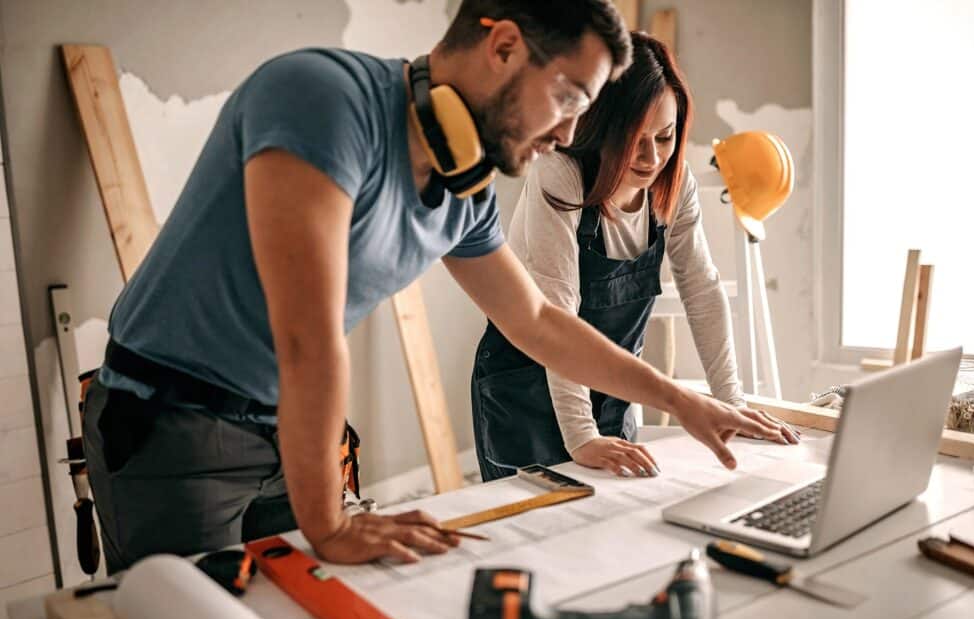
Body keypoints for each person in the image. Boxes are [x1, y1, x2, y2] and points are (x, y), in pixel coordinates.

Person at [83, 1, 782, 575]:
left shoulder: (462, 191)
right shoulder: (320, 98)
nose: (571, 130)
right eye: (568, 97)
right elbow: (305, 334)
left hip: (282, 429)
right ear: (504, 46)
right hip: (172, 426)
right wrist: (331, 521)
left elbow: (537, 320)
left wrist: (680, 399)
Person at [472, 32, 798, 481]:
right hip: (526, 389)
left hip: (610, 386)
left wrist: (731, 404)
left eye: (664, 137)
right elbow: (554, 313)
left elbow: (701, 291)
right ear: (602, 129)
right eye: (633, 140)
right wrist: (582, 436)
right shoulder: (561, 175)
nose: (651, 158)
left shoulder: (674, 182)